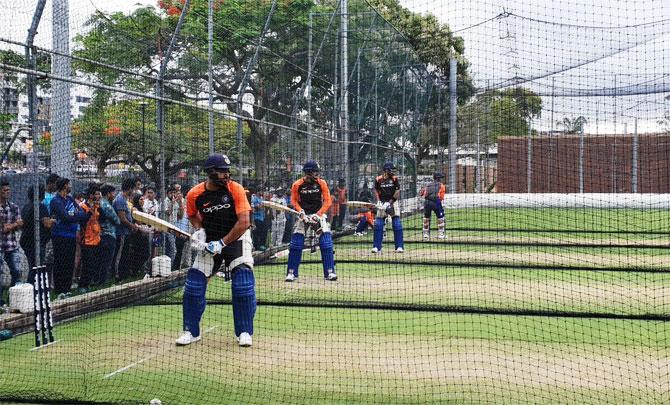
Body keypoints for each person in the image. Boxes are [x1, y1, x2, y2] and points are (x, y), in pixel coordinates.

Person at [175, 153, 256, 347]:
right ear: (210, 172)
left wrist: (222, 243)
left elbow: (244, 222)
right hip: (210, 241)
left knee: (242, 284)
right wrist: (199, 231)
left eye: (228, 171)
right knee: (193, 285)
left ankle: (244, 331)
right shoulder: (194, 194)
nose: (227, 175)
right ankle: (191, 331)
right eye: (222, 171)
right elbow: (193, 215)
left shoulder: (235, 189)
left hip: (237, 238)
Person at [285, 160, 336, 282]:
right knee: (296, 244)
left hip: (318, 214)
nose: (317, 174)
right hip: (303, 215)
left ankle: (330, 272)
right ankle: (292, 273)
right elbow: (294, 200)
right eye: (315, 172)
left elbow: (328, 201)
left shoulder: (321, 183)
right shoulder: (297, 185)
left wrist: (318, 215)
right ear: (308, 173)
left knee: (326, 243)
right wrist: (300, 211)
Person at [50, 178, 91, 296]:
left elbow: (83, 214)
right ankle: (59, 289)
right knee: (60, 262)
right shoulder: (56, 201)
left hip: (72, 235)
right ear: (64, 186)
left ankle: (67, 289)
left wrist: (74, 215)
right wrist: (76, 215)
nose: (70, 187)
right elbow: (65, 217)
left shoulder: (70, 199)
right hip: (60, 235)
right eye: (68, 185)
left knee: (69, 262)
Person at [20, 185, 53, 285]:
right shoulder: (40, 207)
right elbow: (47, 223)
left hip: (26, 240)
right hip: (36, 242)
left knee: (33, 266)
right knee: (36, 268)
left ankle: (32, 289)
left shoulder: (26, 206)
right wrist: (53, 220)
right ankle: (30, 289)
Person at [372, 161, 404, 253]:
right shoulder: (378, 179)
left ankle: (399, 246)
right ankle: (377, 247)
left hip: (393, 202)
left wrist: (389, 203)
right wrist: (378, 201)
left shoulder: (394, 179)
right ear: (386, 170)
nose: (393, 171)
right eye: (391, 169)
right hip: (382, 203)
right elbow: (375, 190)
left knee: (396, 223)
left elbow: (397, 192)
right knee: (378, 224)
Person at [0, 182, 23, 307]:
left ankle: (12, 299)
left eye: (8, 190)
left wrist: (10, 226)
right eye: (4, 190)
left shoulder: (13, 207)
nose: (7, 192)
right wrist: (14, 225)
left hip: (11, 244)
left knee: (17, 271)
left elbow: (20, 225)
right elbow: (3, 229)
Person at [113, 178, 141, 281]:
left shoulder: (125, 199)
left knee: (125, 254)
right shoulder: (120, 199)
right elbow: (122, 219)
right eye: (133, 189)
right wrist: (132, 226)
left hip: (127, 231)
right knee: (120, 254)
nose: (133, 192)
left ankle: (123, 274)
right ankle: (117, 275)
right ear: (129, 188)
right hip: (121, 232)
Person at [78, 184, 103, 292]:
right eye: (96, 194)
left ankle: (88, 283)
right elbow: (83, 220)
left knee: (94, 263)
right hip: (86, 239)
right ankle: (82, 285)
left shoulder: (97, 206)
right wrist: (91, 209)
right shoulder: (83, 206)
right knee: (87, 263)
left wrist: (97, 207)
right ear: (91, 195)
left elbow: (101, 217)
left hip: (96, 238)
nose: (98, 196)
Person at [97, 184, 120, 285]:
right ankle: (103, 281)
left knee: (101, 259)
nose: (114, 195)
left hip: (100, 234)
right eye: (113, 192)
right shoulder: (106, 205)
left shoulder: (99, 203)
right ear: (108, 193)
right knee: (107, 259)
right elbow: (117, 220)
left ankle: (99, 280)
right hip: (109, 234)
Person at [421, 172, 446, 239]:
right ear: (438, 178)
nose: (441, 179)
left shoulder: (428, 185)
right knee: (441, 217)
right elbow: (441, 197)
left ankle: (425, 235)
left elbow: (422, 194)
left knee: (426, 217)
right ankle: (441, 234)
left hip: (427, 202)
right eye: (441, 178)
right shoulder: (442, 185)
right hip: (436, 201)